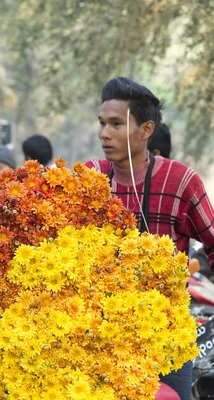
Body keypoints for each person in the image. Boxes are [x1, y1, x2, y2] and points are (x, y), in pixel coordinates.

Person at [86, 76, 214, 400]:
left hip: (166, 338)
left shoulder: (182, 181)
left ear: (146, 130)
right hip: (99, 337)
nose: (104, 133)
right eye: (102, 123)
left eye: (116, 123)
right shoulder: (89, 180)